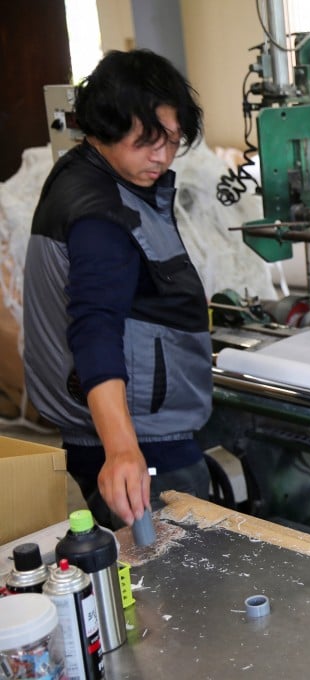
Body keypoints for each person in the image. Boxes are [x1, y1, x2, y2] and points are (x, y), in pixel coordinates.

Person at [23, 49, 212, 529]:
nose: (163, 157)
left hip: (128, 423)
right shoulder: (100, 216)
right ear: (105, 128)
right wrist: (123, 449)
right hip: (142, 436)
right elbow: (94, 330)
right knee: (176, 581)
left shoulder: (83, 171)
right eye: (147, 142)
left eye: (172, 141)